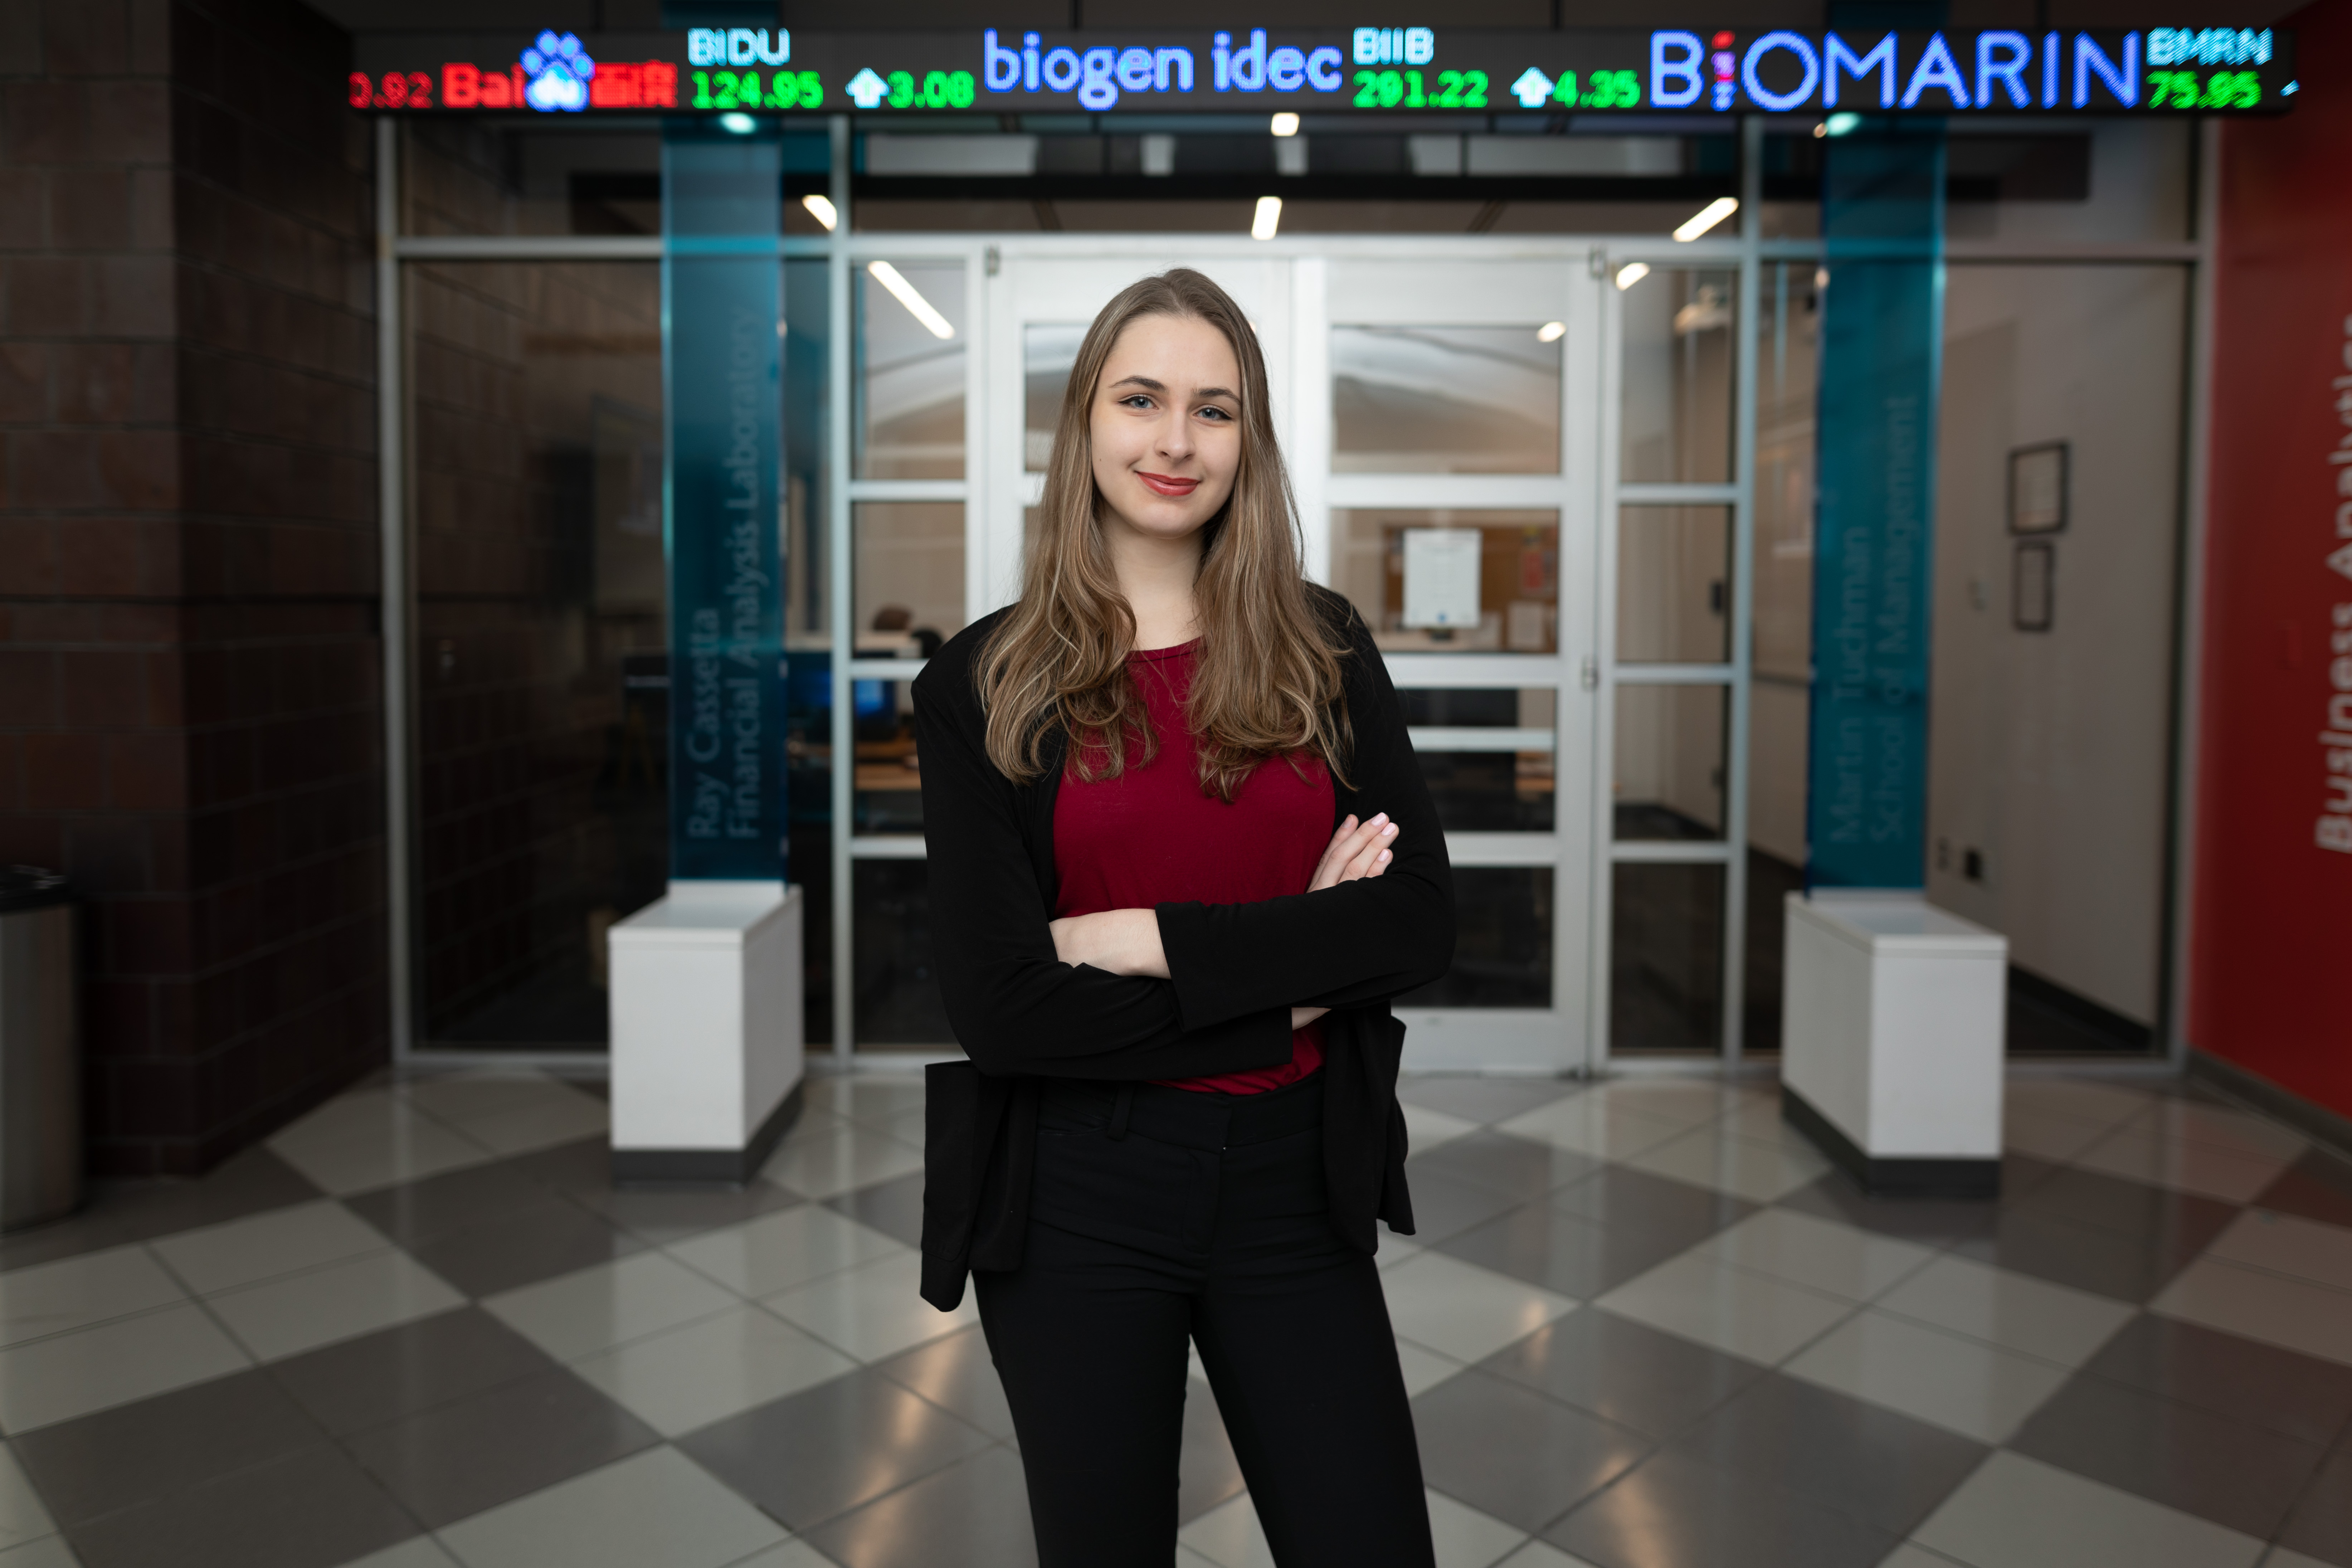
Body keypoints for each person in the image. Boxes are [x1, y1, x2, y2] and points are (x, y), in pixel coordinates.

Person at [911, 268, 1455, 1567]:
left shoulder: (1321, 648)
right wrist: (1294, 977)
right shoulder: (981, 682)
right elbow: (1003, 1009)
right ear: (1085, 426)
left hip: (1291, 1184)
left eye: (1214, 409)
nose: (1175, 441)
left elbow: (1421, 920)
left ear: (1249, 440)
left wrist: (1145, 935)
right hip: (1074, 1194)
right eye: (1141, 399)